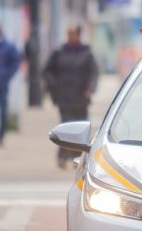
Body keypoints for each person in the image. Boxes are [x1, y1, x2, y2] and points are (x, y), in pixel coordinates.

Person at [42, 25, 99, 168]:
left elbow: (94, 72)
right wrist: (53, 85)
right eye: (69, 33)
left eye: (73, 34)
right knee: (66, 126)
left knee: (80, 129)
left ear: (79, 35)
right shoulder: (59, 53)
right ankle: (62, 156)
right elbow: (47, 71)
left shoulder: (86, 54)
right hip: (64, 97)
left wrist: (90, 88)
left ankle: (77, 156)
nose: (71, 36)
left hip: (81, 98)